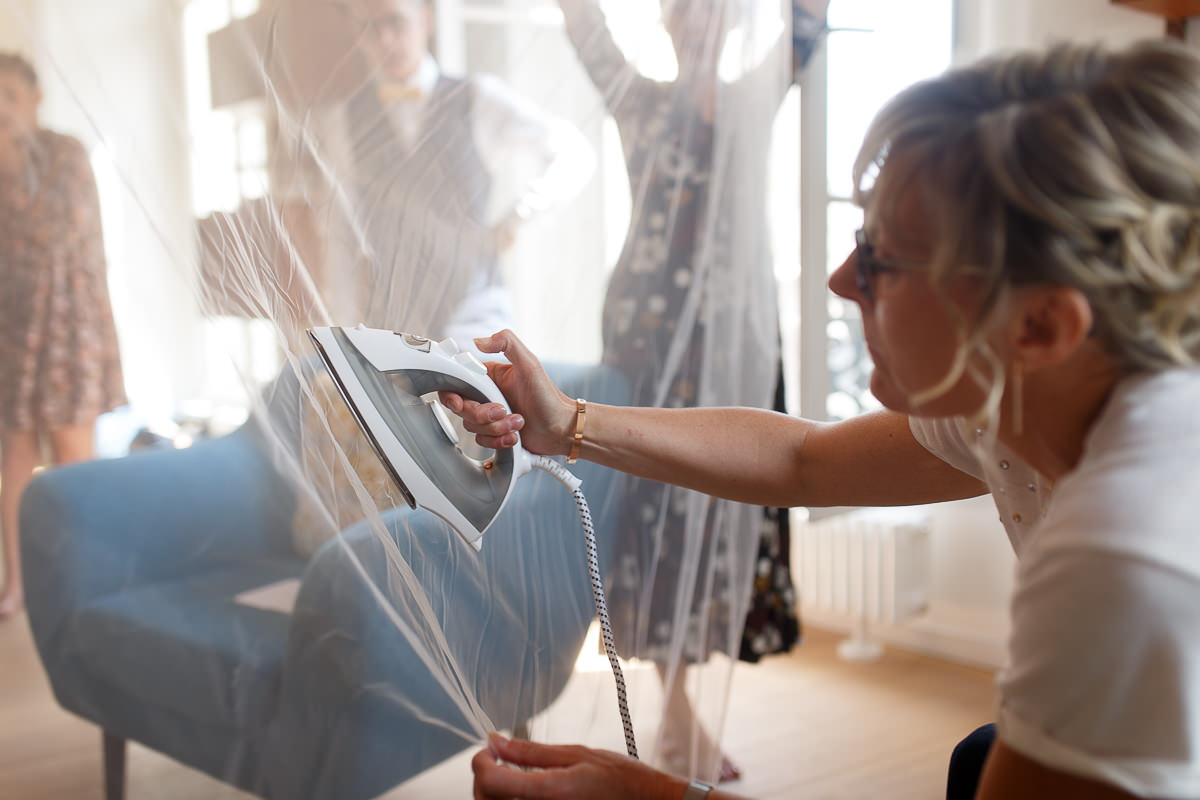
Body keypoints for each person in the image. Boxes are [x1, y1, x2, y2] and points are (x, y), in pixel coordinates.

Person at [451, 37, 1200, 800]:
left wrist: (653, 796)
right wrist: (565, 421)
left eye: (880, 260)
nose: (841, 281)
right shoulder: (1019, 397)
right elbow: (802, 461)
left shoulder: (1129, 554)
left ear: (1040, 325)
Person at [553, 0, 826, 781]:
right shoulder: (637, 96)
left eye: (716, 7)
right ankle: (676, 716)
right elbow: (584, 27)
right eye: (687, 6)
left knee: (732, 491)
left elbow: (808, 22)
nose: (701, 17)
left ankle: (686, 710)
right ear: (668, 20)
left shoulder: (754, 97)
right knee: (659, 503)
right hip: (652, 329)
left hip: (739, 333)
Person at [303, 0, 594, 341]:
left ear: (425, 20)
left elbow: (573, 152)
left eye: (395, 22)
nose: (384, 39)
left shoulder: (477, 98)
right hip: (391, 324)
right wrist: (344, 333)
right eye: (369, 28)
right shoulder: (342, 122)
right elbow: (340, 235)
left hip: (477, 317)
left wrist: (518, 217)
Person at [0, 52, 125, 618]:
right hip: (11, 329)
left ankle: (83, 579)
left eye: (9, 96)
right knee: (15, 456)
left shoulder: (66, 155)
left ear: (32, 99)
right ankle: (19, 584)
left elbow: (51, 235)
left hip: (69, 331)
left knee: (74, 455)